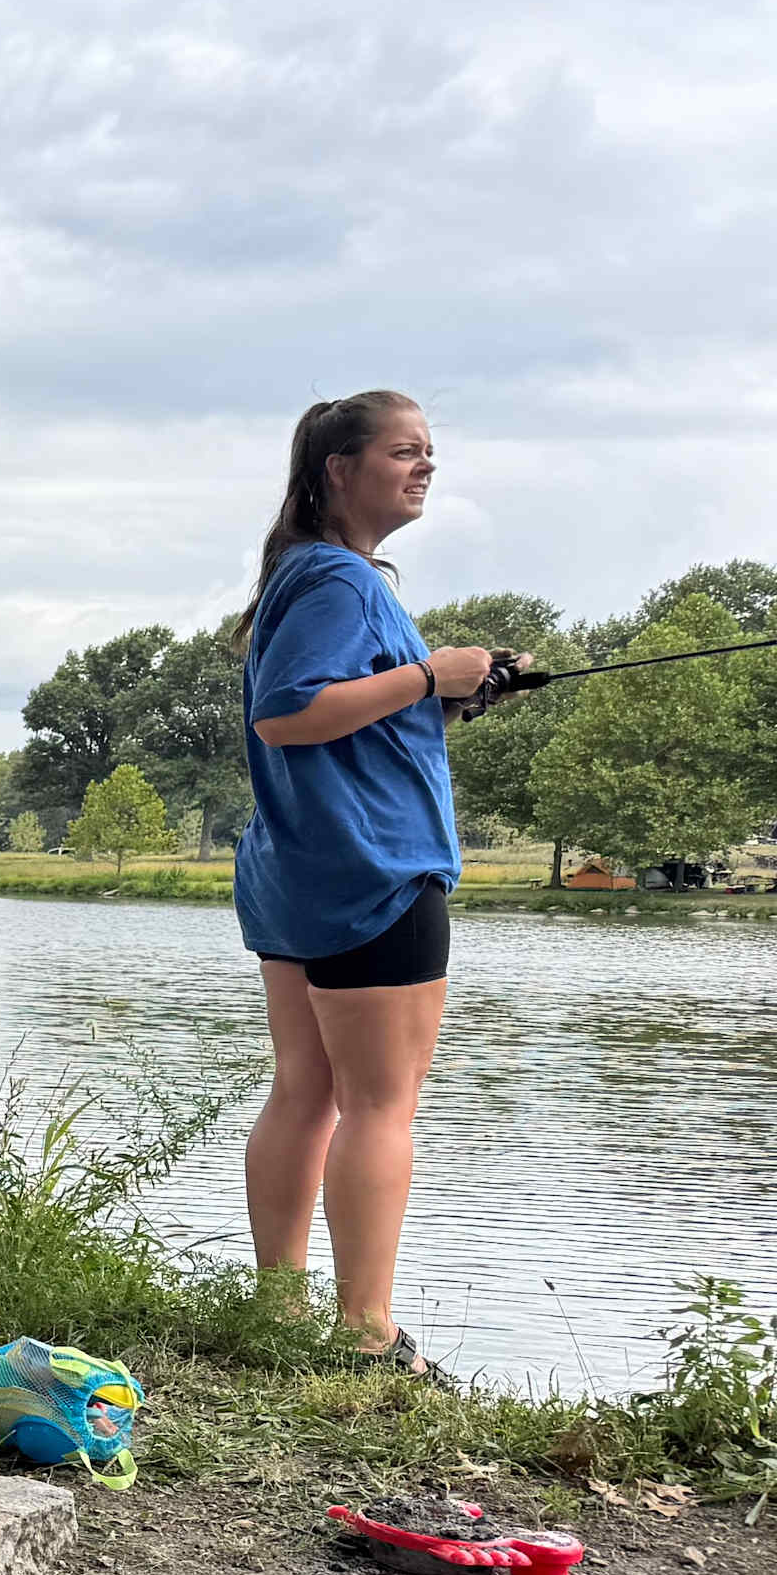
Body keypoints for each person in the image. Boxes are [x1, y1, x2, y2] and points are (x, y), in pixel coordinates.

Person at [232, 391, 495, 1380]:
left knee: (305, 1091)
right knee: (382, 1105)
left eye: (431, 452)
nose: (425, 465)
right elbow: (289, 713)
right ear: (340, 469)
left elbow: (340, 715)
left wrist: (445, 690)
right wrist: (429, 676)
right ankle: (365, 1334)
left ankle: (278, 1313)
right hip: (371, 871)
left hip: (301, 871)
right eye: (403, 451)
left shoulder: (309, 576)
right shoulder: (341, 580)